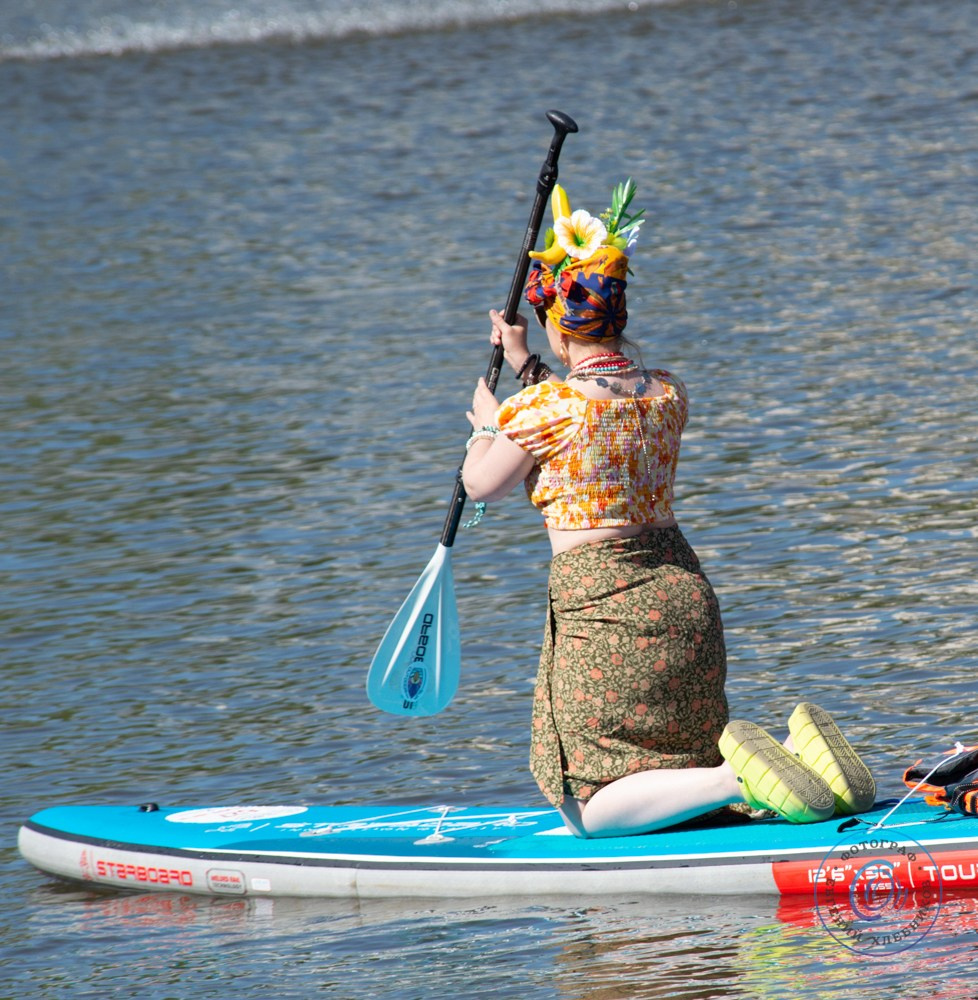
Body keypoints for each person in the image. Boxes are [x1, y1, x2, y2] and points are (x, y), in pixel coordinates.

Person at [461, 179, 876, 838]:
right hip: (686, 601)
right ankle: (802, 765)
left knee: (588, 807)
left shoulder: (539, 413)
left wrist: (489, 424)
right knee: (677, 760)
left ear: (557, 325)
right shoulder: (665, 395)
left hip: (605, 614)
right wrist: (526, 370)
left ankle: (741, 776)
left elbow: (482, 485)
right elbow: (594, 415)